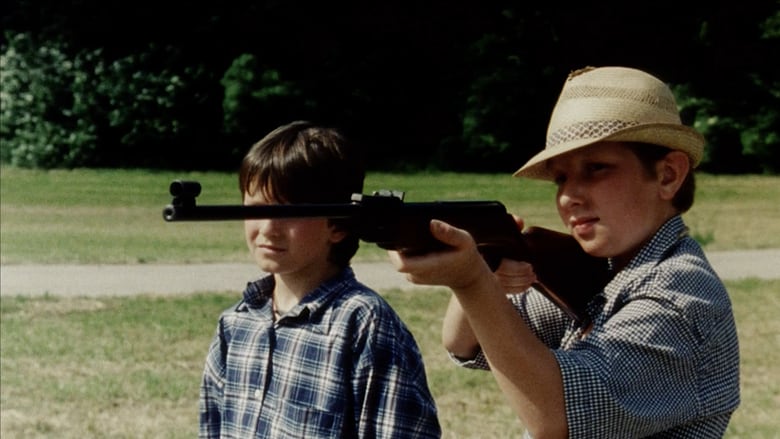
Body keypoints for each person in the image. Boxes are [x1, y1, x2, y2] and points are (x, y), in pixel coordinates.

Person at [389, 66, 740, 438]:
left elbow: (555, 416)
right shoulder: (609, 271)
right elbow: (465, 344)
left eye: (596, 168)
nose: (569, 196)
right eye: (561, 178)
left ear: (668, 175)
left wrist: (473, 281)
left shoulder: (678, 298)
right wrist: (485, 267)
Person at [199, 120, 441, 438]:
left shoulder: (364, 325)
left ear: (338, 225)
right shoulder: (235, 325)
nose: (269, 228)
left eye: (289, 213)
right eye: (256, 209)